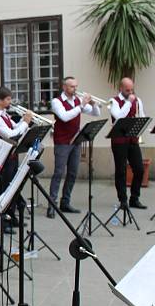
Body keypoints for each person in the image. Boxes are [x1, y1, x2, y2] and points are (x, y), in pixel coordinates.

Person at [46, 76, 101, 219]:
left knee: (72, 173)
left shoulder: (77, 101)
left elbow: (96, 113)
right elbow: (64, 117)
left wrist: (94, 104)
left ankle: (65, 202)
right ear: (64, 87)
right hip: (62, 142)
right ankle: (51, 205)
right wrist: (81, 106)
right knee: (59, 173)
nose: (75, 89)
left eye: (76, 86)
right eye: (72, 86)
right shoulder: (57, 101)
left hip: (75, 141)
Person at [0, 86, 33, 234]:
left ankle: (10, 215)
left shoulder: (4, 115)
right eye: (7, 99)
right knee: (3, 188)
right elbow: (10, 134)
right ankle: (1, 220)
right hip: (1, 158)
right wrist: (25, 122)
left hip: (10, 155)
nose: (10, 101)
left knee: (12, 187)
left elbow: (16, 128)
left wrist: (25, 122)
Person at [110, 77, 147, 209]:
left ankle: (134, 198)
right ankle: (123, 200)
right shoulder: (113, 101)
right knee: (121, 171)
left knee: (139, 169)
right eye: (127, 90)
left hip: (132, 139)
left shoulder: (138, 100)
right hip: (119, 140)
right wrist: (128, 103)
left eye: (132, 89)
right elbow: (119, 116)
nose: (130, 92)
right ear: (121, 88)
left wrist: (142, 126)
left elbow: (141, 116)